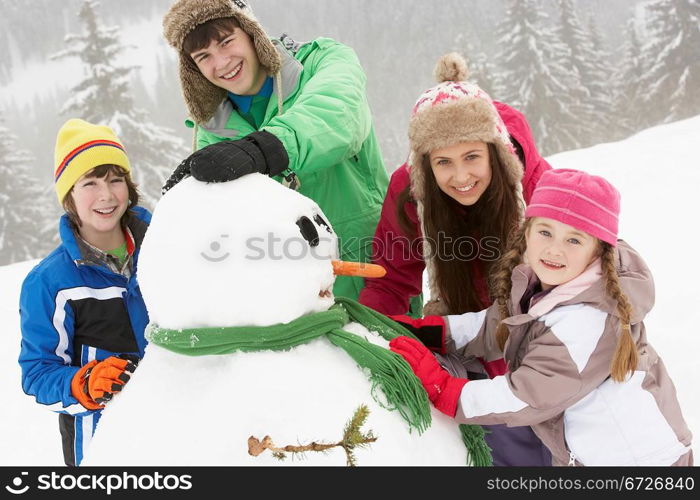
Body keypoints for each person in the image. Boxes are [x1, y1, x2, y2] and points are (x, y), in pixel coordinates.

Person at [390, 168, 693, 466]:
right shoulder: (546, 283)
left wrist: (446, 388)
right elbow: (498, 325)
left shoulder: (586, 320)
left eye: (574, 240)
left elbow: (526, 395)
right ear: (527, 232)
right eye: (545, 232)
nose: (554, 250)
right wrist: (435, 331)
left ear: (598, 251)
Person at [160, 0, 389, 300]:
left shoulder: (322, 62)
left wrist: (264, 149)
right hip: (292, 294)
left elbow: (339, 116)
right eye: (204, 56)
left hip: (373, 273)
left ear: (252, 32)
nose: (222, 63)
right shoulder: (213, 132)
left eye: (227, 42)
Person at [358, 52, 551, 318]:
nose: (461, 177)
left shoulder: (539, 189)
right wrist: (367, 333)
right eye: (444, 162)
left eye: (471, 157)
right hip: (462, 330)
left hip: (536, 324)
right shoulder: (412, 193)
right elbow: (390, 282)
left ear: (495, 154)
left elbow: (584, 272)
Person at [19, 119, 150, 466]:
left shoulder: (163, 250)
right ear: (69, 196)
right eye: (89, 183)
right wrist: (84, 382)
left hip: (178, 426)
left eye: (115, 180)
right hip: (104, 449)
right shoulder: (49, 282)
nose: (106, 195)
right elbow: (37, 374)